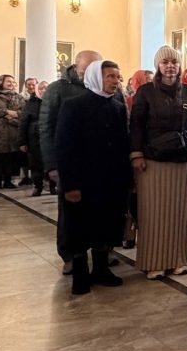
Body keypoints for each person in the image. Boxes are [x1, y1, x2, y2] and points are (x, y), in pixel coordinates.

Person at [129, 46, 187, 280]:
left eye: (174, 62)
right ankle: (155, 262)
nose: (170, 66)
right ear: (158, 66)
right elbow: (136, 125)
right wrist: (136, 154)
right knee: (154, 214)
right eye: (165, 62)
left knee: (180, 213)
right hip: (153, 160)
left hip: (183, 160)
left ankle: (179, 259)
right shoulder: (145, 92)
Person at [55, 61, 130, 295]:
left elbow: (123, 145)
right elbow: (64, 147)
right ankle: (80, 274)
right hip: (82, 181)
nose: (115, 81)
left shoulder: (118, 107)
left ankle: (101, 270)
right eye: (110, 76)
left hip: (110, 181)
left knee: (106, 226)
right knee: (79, 228)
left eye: (117, 77)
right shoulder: (74, 105)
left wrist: (127, 180)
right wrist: (70, 184)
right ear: (96, 77)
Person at [40, 50, 102, 266]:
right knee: (70, 214)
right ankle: (70, 256)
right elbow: (46, 128)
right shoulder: (57, 89)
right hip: (70, 162)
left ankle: (101, 253)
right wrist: (51, 165)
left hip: (98, 163)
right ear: (76, 68)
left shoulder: (105, 86)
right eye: (86, 70)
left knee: (99, 211)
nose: (91, 74)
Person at [18, 79, 47, 195]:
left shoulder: (54, 101)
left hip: (49, 136)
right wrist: (22, 141)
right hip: (34, 137)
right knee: (35, 163)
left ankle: (52, 185)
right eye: (41, 88)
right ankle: (37, 186)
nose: (44, 90)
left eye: (46, 88)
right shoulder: (31, 103)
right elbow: (23, 123)